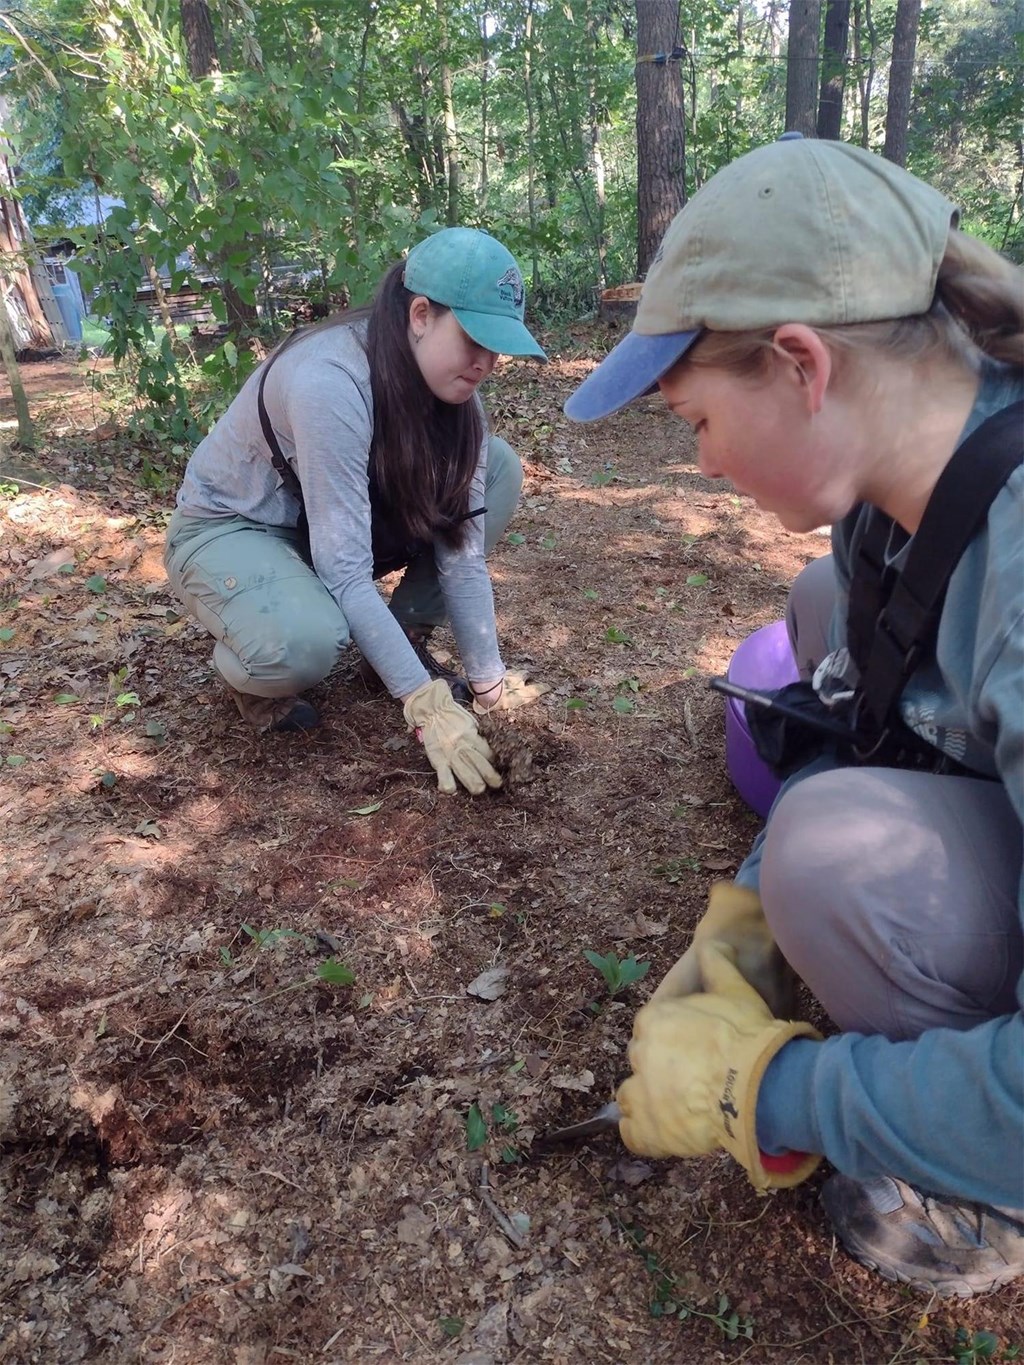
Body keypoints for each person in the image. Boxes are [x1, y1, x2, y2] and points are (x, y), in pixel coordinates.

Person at [564, 135, 1023, 1297]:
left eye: (695, 426)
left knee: (830, 854)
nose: (703, 468)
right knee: (821, 612)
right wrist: (744, 920)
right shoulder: (898, 499)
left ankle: (984, 1192)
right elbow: (870, 722)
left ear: (801, 365)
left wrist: (767, 1094)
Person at [165, 227, 549, 796]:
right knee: (302, 644)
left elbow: (461, 555)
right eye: (474, 339)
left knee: (497, 468)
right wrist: (423, 705)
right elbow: (343, 566)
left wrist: (489, 686)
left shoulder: (459, 395)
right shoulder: (332, 380)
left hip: (328, 523)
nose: (486, 362)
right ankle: (256, 668)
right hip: (237, 527)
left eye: (497, 347)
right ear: (421, 315)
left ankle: (399, 640)